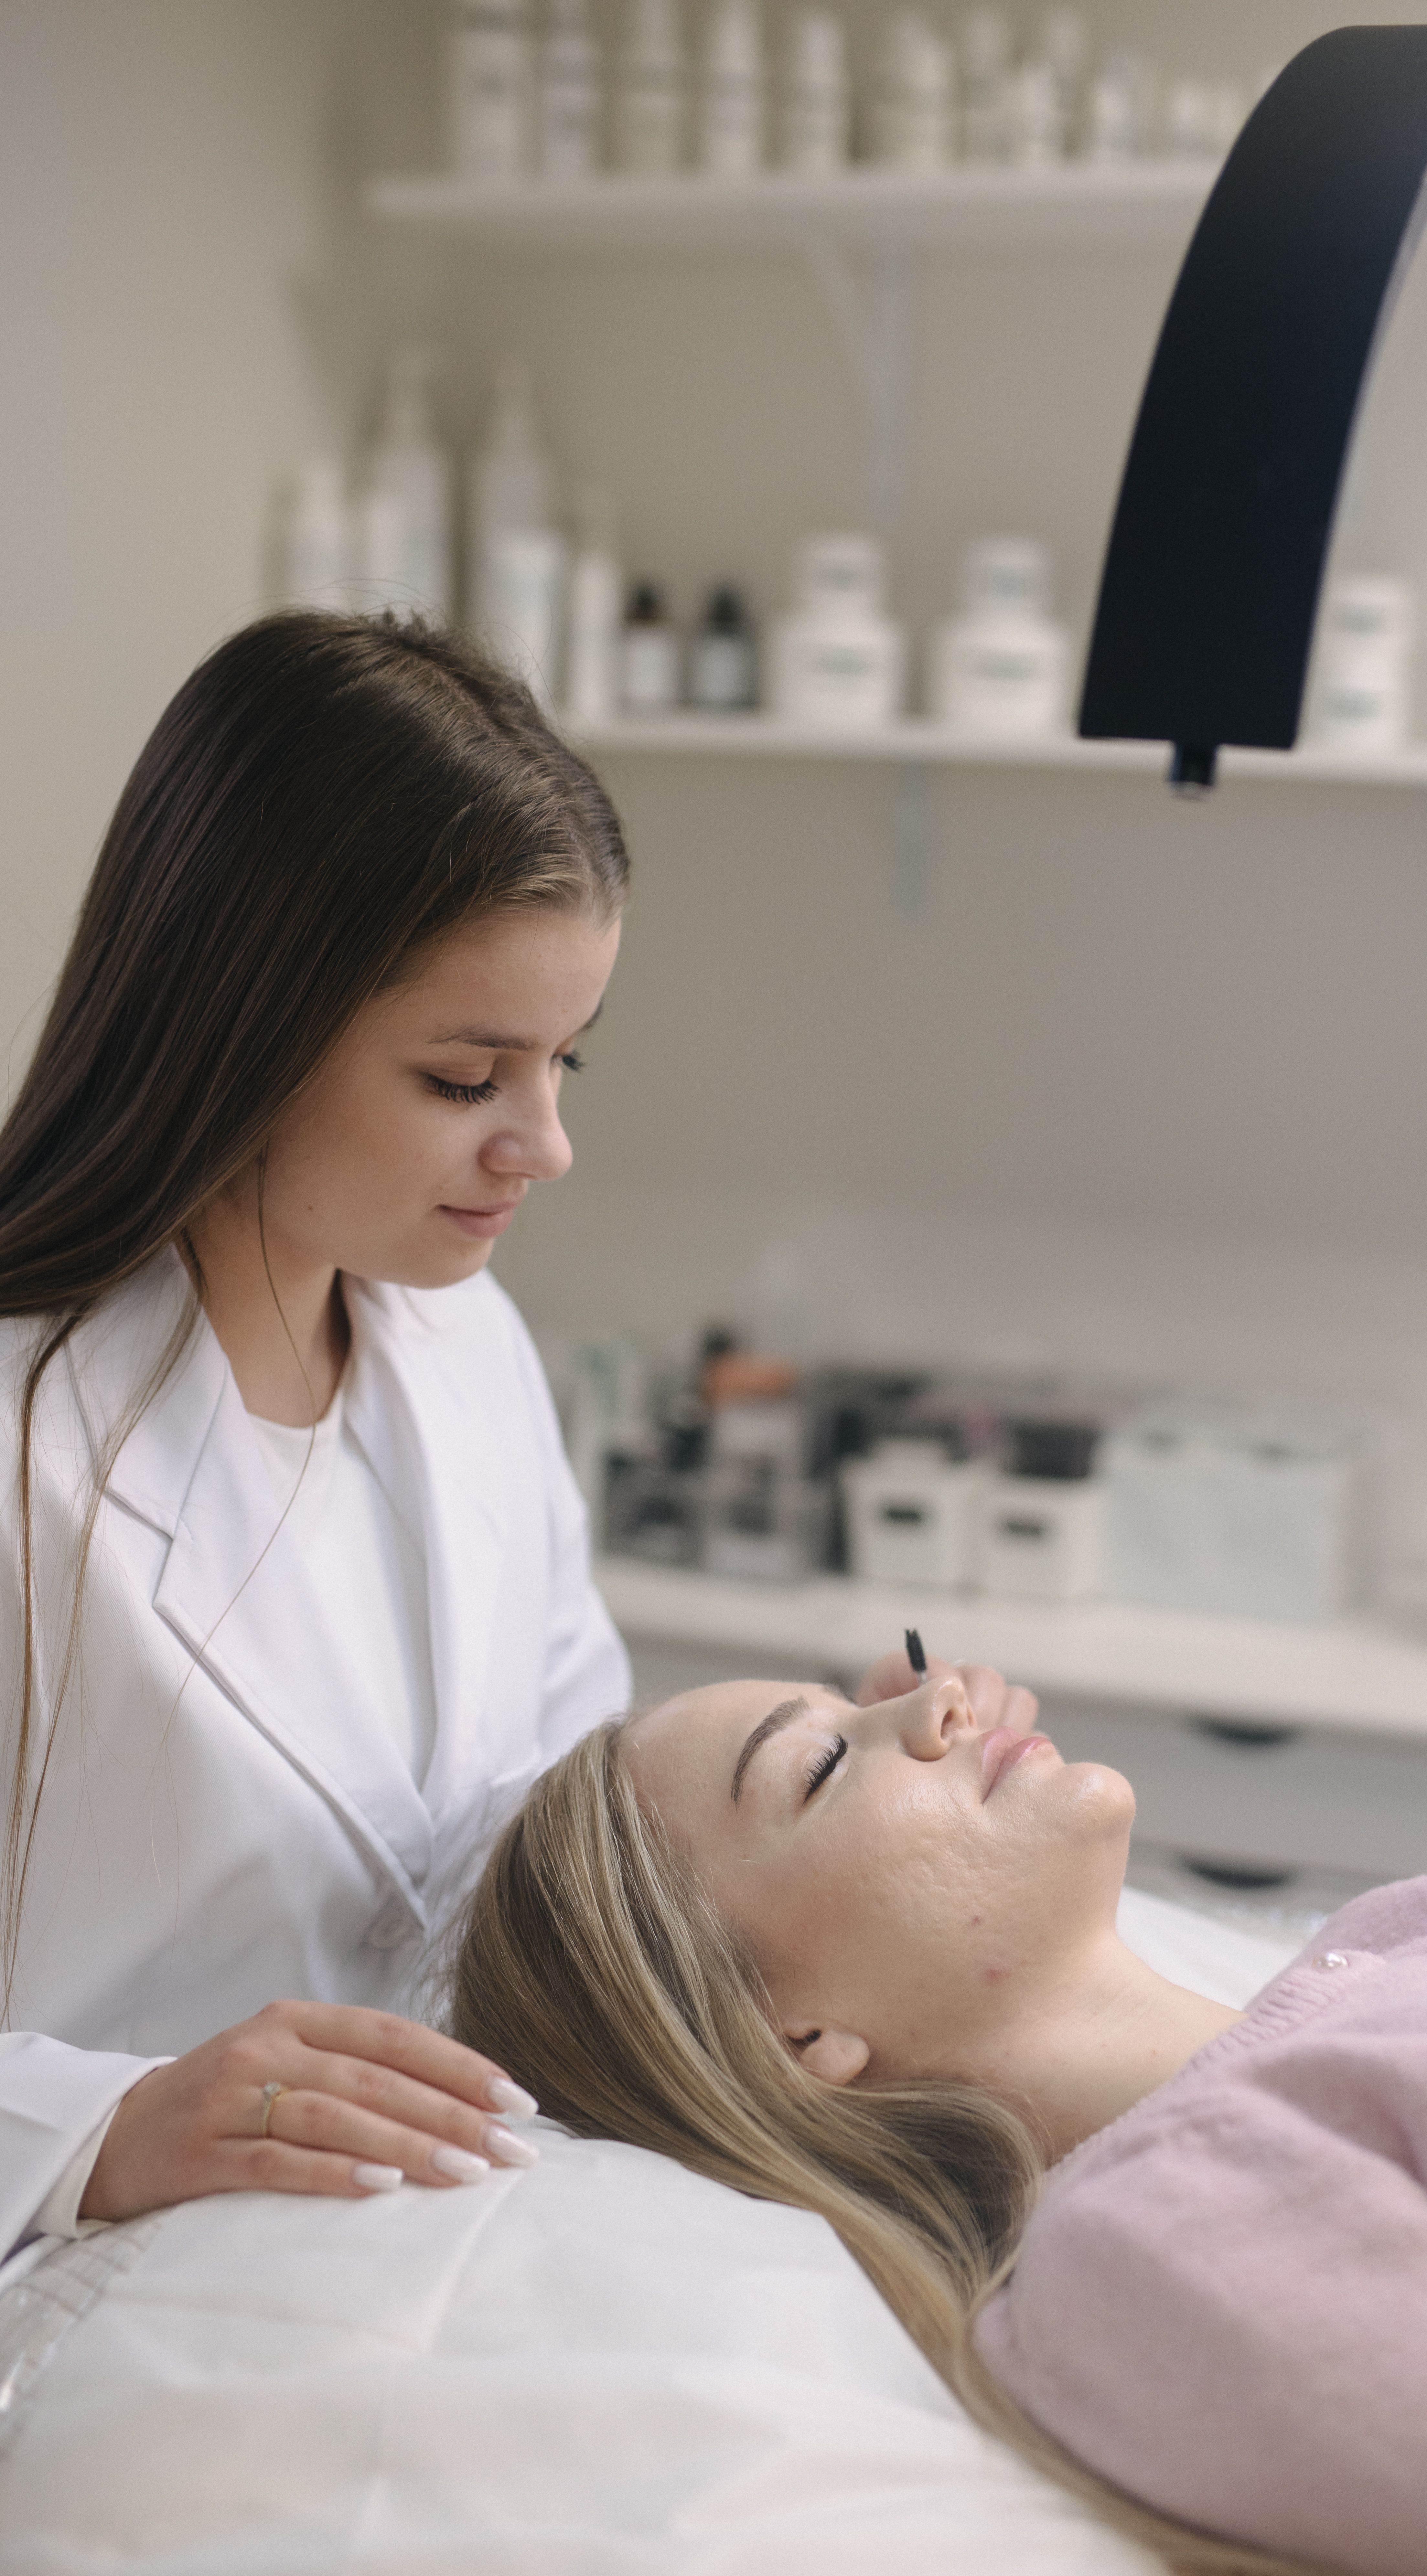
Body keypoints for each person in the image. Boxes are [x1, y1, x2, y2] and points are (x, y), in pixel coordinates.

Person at [0, 611, 1000, 2263]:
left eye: (563, 1061)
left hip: (448, 2249)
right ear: (241, 1024)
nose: (545, 1144)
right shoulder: (32, 1441)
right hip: (96, 2308)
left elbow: (558, 1842)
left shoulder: (459, 1343)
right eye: (470, 1075)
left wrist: (852, 1784)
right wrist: (96, 2129)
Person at [452, 1667, 1427, 2576]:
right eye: (831, 1758)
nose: (942, 1698)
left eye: (866, 1696)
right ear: (793, 2039)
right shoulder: (1155, 2245)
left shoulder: (1406, 1926)